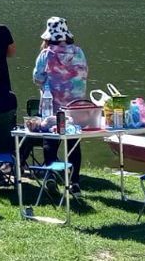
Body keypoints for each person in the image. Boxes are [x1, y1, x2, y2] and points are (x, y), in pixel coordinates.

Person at [32, 16, 88, 190]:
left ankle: (51, 176)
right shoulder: (79, 52)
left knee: (51, 140)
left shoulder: (46, 54)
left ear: (48, 37)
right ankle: (75, 180)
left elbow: (37, 78)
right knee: (73, 143)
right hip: (75, 106)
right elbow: (84, 74)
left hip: (53, 105)